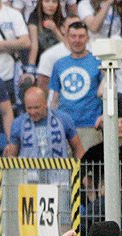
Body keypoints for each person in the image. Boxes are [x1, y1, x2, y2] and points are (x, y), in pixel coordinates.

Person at [49, 21, 103, 151]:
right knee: (63, 169)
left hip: (90, 126)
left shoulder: (98, 63)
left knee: (88, 169)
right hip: (63, 127)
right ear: (67, 37)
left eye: (81, 36)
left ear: (87, 38)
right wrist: (51, 123)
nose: (77, 40)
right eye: (73, 36)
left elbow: (105, 94)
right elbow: (55, 99)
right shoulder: (59, 64)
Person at [6, 86, 84, 158]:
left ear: (45, 104)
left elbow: (78, 149)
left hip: (59, 171)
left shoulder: (64, 119)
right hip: (29, 172)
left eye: (36, 107)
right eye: (29, 108)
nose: (33, 112)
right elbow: (12, 157)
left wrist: (81, 171)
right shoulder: (18, 123)